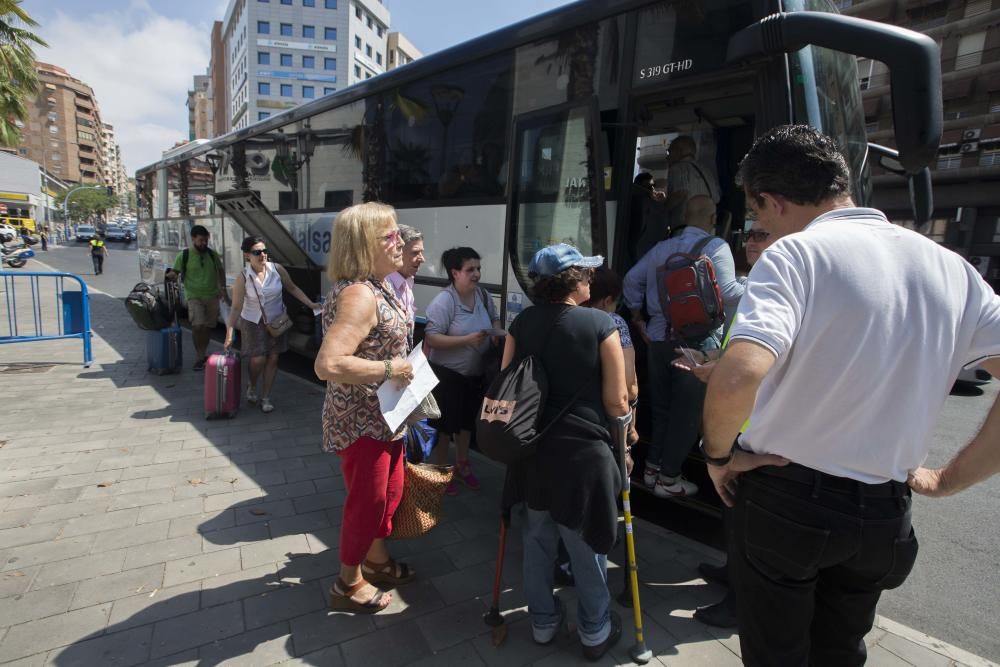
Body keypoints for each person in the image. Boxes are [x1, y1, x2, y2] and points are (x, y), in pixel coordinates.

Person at [701, 124, 1000, 666]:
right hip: (885, 515)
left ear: (771, 199)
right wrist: (948, 478)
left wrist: (719, 457)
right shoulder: (951, 267)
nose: (762, 226)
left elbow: (739, 376)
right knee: (840, 653)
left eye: (759, 214)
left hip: (786, 503)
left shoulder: (794, 256)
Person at [501, 243, 629, 661]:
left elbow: (506, 388)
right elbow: (617, 401)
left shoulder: (520, 324)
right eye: (587, 274)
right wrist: (625, 445)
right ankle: (594, 630)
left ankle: (542, 623)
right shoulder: (601, 324)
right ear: (573, 280)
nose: (592, 279)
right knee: (586, 544)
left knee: (537, 538)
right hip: (582, 456)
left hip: (533, 451)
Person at [672, 221, 777, 629]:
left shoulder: (781, 289)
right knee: (735, 514)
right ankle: (731, 571)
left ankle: (741, 601)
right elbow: (742, 353)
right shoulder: (756, 286)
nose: (750, 241)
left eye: (761, 234)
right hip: (744, 427)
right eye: (748, 234)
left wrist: (717, 374)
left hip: (760, 428)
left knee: (753, 524)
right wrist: (714, 362)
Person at [314, 202, 416, 615]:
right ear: (363, 245)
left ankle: (376, 559)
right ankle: (348, 582)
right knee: (368, 502)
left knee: (388, 495)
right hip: (361, 422)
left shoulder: (377, 284)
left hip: (384, 418)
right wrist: (392, 367)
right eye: (390, 236)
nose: (401, 242)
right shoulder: (360, 294)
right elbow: (329, 363)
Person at [623, 194, 743, 497]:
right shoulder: (717, 247)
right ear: (713, 219)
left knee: (662, 409)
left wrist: (638, 317)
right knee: (687, 414)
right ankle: (669, 479)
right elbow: (730, 294)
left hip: (658, 340)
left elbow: (631, 281)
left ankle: (651, 469)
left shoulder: (660, 249)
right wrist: (755, 284)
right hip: (696, 343)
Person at [423, 246, 500, 495]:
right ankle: (438, 473)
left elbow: (495, 318)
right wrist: (467, 340)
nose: (476, 274)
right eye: (470, 270)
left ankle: (462, 466)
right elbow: (432, 339)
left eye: (478, 268)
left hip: (474, 376)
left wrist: (496, 332)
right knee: (445, 428)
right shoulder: (444, 301)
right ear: (455, 273)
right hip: (448, 377)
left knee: (466, 425)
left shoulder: (483, 295)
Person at [224, 237, 320, 413]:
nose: (263, 255)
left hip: (276, 321)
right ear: (247, 255)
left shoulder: (277, 269)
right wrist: (229, 331)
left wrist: (311, 304)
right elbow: (236, 306)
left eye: (264, 251)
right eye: (257, 252)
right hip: (253, 321)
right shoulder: (243, 277)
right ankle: (252, 385)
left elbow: (292, 288)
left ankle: (266, 397)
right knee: (258, 359)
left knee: (273, 358)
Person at [165, 225, 227, 371]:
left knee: (206, 327)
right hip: (193, 296)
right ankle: (199, 356)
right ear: (193, 239)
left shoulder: (212, 255)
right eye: (201, 240)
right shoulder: (184, 255)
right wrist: (171, 276)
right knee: (198, 325)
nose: (204, 243)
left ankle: (202, 353)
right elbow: (175, 272)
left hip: (212, 296)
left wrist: (223, 289)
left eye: (206, 240)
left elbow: (220, 271)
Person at [665, 135, 720, 229]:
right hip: (707, 230)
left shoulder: (678, 168)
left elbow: (680, 194)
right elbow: (716, 198)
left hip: (684, 229)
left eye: (669, 151)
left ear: (679, 151)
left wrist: (661, 209)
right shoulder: (707, 171)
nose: (667, 157)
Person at [386, 224, 425, 339]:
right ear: (396, 251)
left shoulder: (408, 281)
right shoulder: (382, 286)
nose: (422, 259)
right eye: (415, 253)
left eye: (421, 252)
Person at [628, 171, 668, 264]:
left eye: (654, 186)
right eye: (650, 186)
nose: (653, 189)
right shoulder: (640, 200)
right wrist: (661, 203)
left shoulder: (644, 201)